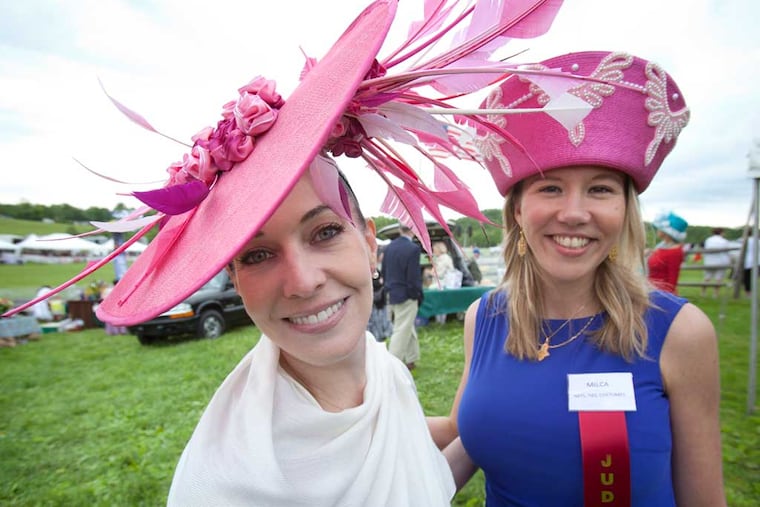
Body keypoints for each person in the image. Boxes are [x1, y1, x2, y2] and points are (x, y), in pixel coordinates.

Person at [0, 1, 571, 502]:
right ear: (233, 277)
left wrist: (488, 427)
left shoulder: (381, 368)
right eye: (256, 255)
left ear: (368, 239)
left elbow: (414, 478)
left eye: (324, 232)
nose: (301, 281)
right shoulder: (224, 488)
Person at [429, 50, 727, 506]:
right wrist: (353, 421)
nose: (574, 213)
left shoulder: (678, 333)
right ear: (518, 211)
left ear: (625, 211)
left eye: (600, 189)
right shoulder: (483, 318)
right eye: (550, 187)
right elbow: (463, 432)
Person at [382, 224, 423, 368]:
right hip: (406, 294)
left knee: (406, 325)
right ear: (414, 230)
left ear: (400, 230)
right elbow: (413, 276)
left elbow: (384, 271)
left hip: (391, 292)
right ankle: (392, 364)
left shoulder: (389, 247)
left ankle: (411, 359)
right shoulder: (413, 249)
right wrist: (415, 294)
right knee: (401, 329)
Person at [646, 211, 688, 294]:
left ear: (666, 232)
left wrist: (668, 298)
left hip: (661, 294)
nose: (658, 230)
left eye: (660, 228)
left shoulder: (675, 252)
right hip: (652, 290)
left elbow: (672, 280)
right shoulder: (661, 247)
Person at [367, 246, 393, 342]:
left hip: (379, 299)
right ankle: (379, 335)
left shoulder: (376, 268)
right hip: (376, 299)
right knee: (376, 319)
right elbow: (376, 282)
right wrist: (380, 282)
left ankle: (382, 334)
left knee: (381, 317)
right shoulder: (372, 269)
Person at [702, 227, 731, 297]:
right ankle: (715, 294)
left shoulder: (708, 240)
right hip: (720, 261)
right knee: (718, 279)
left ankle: (703, 292)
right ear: (721, 232)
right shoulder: (724, 241)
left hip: (709, 261)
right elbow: (728, 251)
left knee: (707, 278)